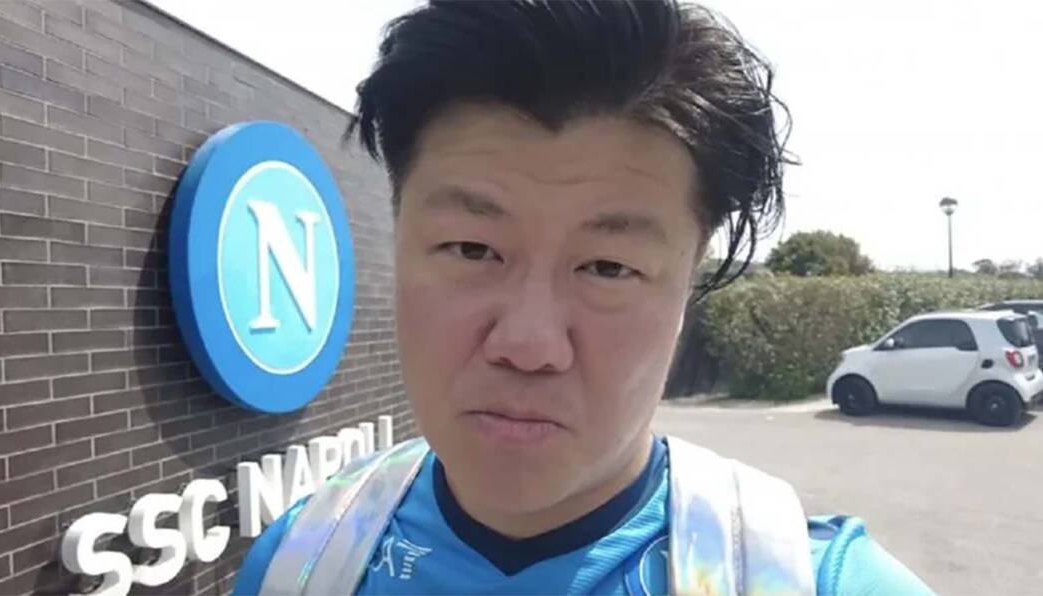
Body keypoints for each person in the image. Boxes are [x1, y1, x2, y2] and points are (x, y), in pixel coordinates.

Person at [234, 1, 933, 594]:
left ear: (688, 285)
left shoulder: (812, 581)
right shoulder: (300, 564)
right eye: (472, 249)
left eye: (607, 266)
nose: (527, 344)